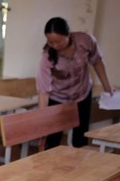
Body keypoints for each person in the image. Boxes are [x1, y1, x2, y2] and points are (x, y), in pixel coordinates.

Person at [36, 17, 115, 149]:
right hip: (58, 97)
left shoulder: (85, 41)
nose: (55, 45)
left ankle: (79, 160)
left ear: (68, 34)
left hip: (82, 93)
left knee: (80, 137)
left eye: (58, 41)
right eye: (50, 42)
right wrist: (44, 120)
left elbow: (97, 62)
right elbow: (43, 92)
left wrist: (107, 87)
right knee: (52, 139)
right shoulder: (47, 56)